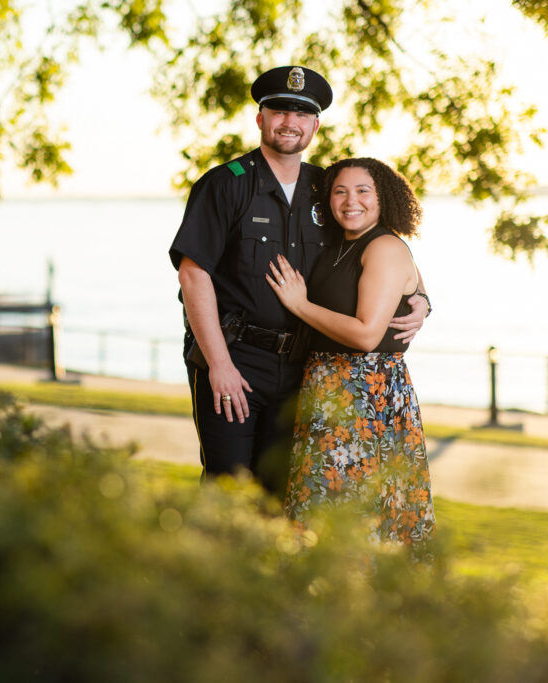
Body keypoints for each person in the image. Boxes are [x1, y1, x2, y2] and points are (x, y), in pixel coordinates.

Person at [168, 65, 429, 495]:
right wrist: (219, 365)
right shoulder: (225, 185)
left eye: (301, 114)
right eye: (279, 111)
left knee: (283, 494)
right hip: (236, 358)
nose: (290, 122)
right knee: (229, 488)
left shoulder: (326, 188)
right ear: (260, 118)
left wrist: (420, 295)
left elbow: (378, 246)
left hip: (302, 369)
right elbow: (193, 276)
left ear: (315, 125)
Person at [266, 157, 435, 546]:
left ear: (384, 199)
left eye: (363, 191)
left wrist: (300, 305)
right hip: (328, 392)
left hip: (366, 398)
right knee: (322, 504)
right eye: (339, 191)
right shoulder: (341, 245)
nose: (350, 201)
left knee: (355, 509)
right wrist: (423, 297)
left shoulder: (384, 247)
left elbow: (365, 336)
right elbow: (410, 281)